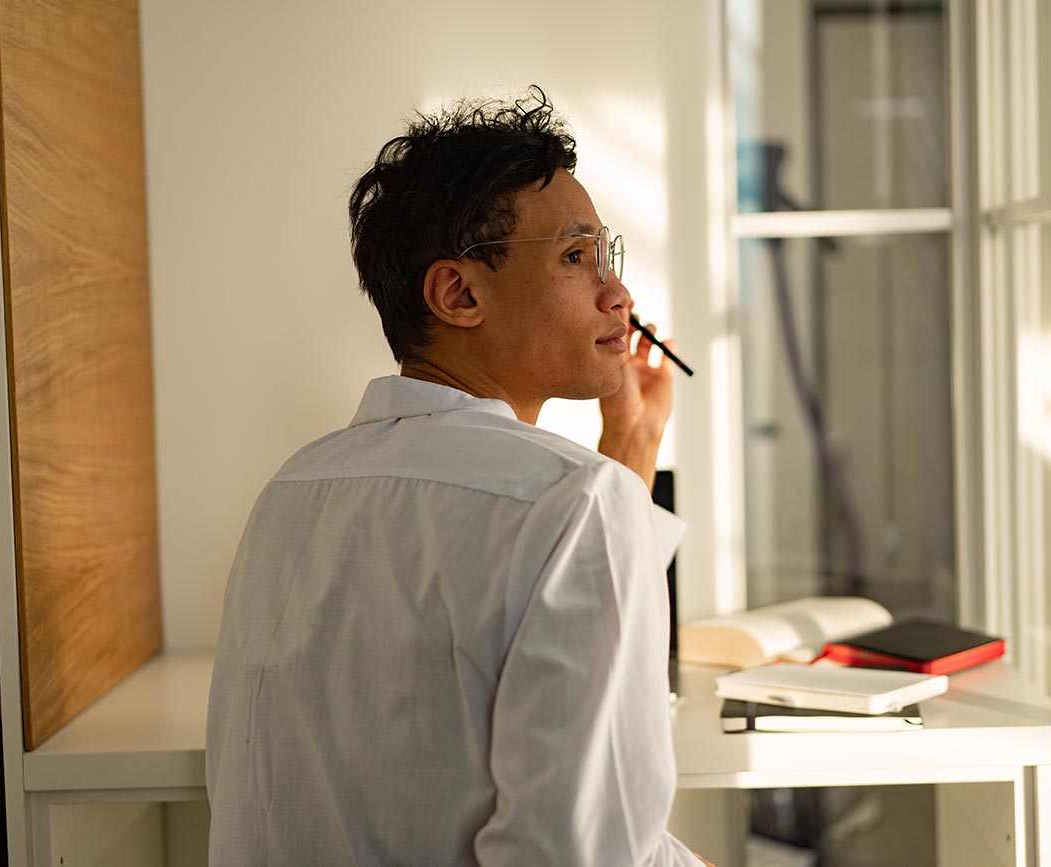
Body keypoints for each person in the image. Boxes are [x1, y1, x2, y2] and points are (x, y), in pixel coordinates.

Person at [206, 87, 710, 867]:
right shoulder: (573, 505)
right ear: (460, 293)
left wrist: (630, 447)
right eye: (577, 257)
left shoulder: (290, 492)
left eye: (607, 256)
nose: (619, 294)